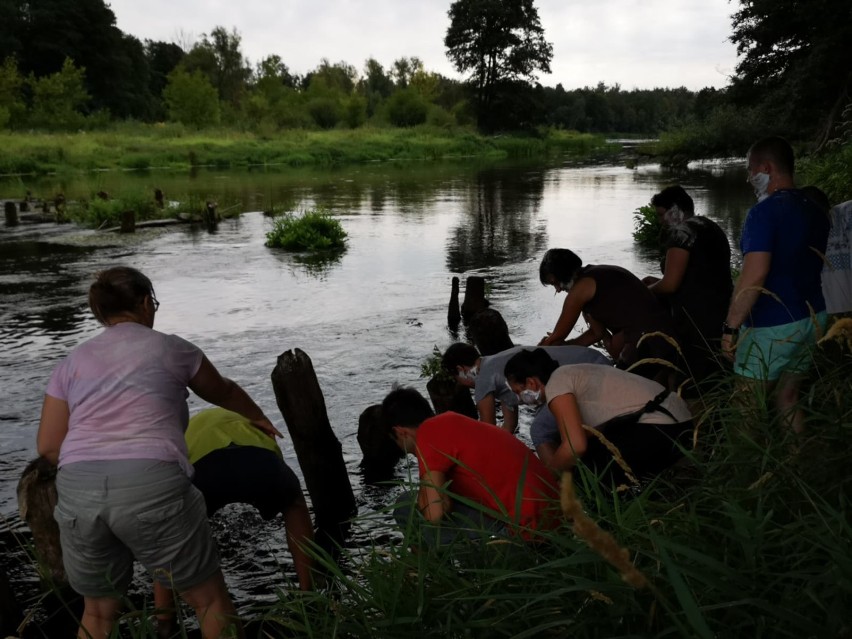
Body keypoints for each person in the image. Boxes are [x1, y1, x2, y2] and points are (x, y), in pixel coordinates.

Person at [36, 266, 281, 639]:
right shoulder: (172, 348)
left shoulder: (71, 363)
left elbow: (49, 446)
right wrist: (258, 417)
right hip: (151, 478)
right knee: (209, 601)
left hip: (77, 485)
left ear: (100, 312)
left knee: (98, 614)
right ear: (146, 302)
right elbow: (224, 391)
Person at [722, 137, 830, 432]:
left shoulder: (763, 212)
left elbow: (754, 275)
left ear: (766, 168)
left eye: (749, 169)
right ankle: (797, 463)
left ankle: (744, 474)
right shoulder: (814, 207)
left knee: (745, 405)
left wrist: (731, 328)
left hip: (772, 325)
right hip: (813, 316)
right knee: (788, 396)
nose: (747, 177)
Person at [381, 387, 559, 544]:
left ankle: (426, 574)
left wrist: (433, 496)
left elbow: (434, 514)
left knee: (404, 505)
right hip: (555, 519)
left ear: (400, 432)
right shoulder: (453, 422)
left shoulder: (427, 434)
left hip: (525, 533)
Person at [504, 348, 693, 483]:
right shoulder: (570, 373)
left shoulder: (556, 385)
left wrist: (548, 478)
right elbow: (588, 434)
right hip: (678, 420)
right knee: (589, 458)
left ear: (531, 382)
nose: (520, 399)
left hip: (662, 425)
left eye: (518, 391)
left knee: (588, 478)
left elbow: (574, 446)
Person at [537, 248, 679, 385]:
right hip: (665, 333)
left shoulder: (581, 288)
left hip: (649, 340)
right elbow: (595, 333)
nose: (558, 289)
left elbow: (558, 335)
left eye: (555, 283)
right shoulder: (596, 275)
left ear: (564, 273)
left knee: (619, 388)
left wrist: (538, 352)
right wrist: (565, 346)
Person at [644, 185, 733, 389]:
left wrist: (647, 290)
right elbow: (700, 275)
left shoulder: (682, 233)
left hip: (695, 321)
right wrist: (659, 280)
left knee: (690, 383)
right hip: (721, 312)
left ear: (674, 210)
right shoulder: (710, 226)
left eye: (661, 214)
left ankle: (691, 419)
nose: (661, 221)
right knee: (714, 378)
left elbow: (670, 285)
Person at [441, 342, 611, 434]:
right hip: (596, 362)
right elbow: (509, 427)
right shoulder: (496, 365)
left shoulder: (484, 378)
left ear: (461, 370)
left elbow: (488, 430)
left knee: (540, 430)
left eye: (457, 378)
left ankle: (555, 479)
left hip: (589, 372)